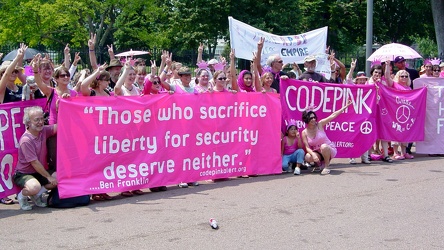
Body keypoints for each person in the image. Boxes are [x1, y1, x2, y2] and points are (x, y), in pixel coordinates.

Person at [13, 106, 58, 210]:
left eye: (42, 119)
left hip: (38, 172)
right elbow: (35, 163)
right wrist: (48, 177)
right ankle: (22, 196)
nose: (40, 122)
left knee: (59, 177)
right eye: (37, 120)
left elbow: (60, 127)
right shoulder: (26, 140)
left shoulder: (43, 131)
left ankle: (36, 195)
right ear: (28, 123)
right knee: (34, 187)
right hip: (23, 174)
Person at [301, 100, 352, 175]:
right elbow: (307, 147)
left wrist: (345, 107)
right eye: (311, 118)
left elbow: (333, 115)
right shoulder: (304, 132)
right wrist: (314, 154)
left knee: (324, 146)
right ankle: (318, 165)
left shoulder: (320, 124)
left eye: (314, 117)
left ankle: (327, 166)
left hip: (328, 149)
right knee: (308, 157)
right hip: (317, 151)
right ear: (306, 119)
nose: (313, 119)